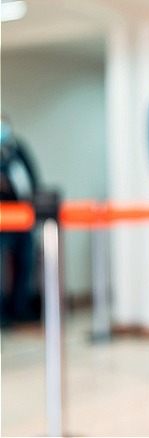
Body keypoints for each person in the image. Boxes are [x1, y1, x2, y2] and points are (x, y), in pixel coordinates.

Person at [0, 113, 40, 327]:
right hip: (2, 220)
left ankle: (20, 308)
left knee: (26, 262)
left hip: (24, 217)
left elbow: (32, 176)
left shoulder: (17, 148)